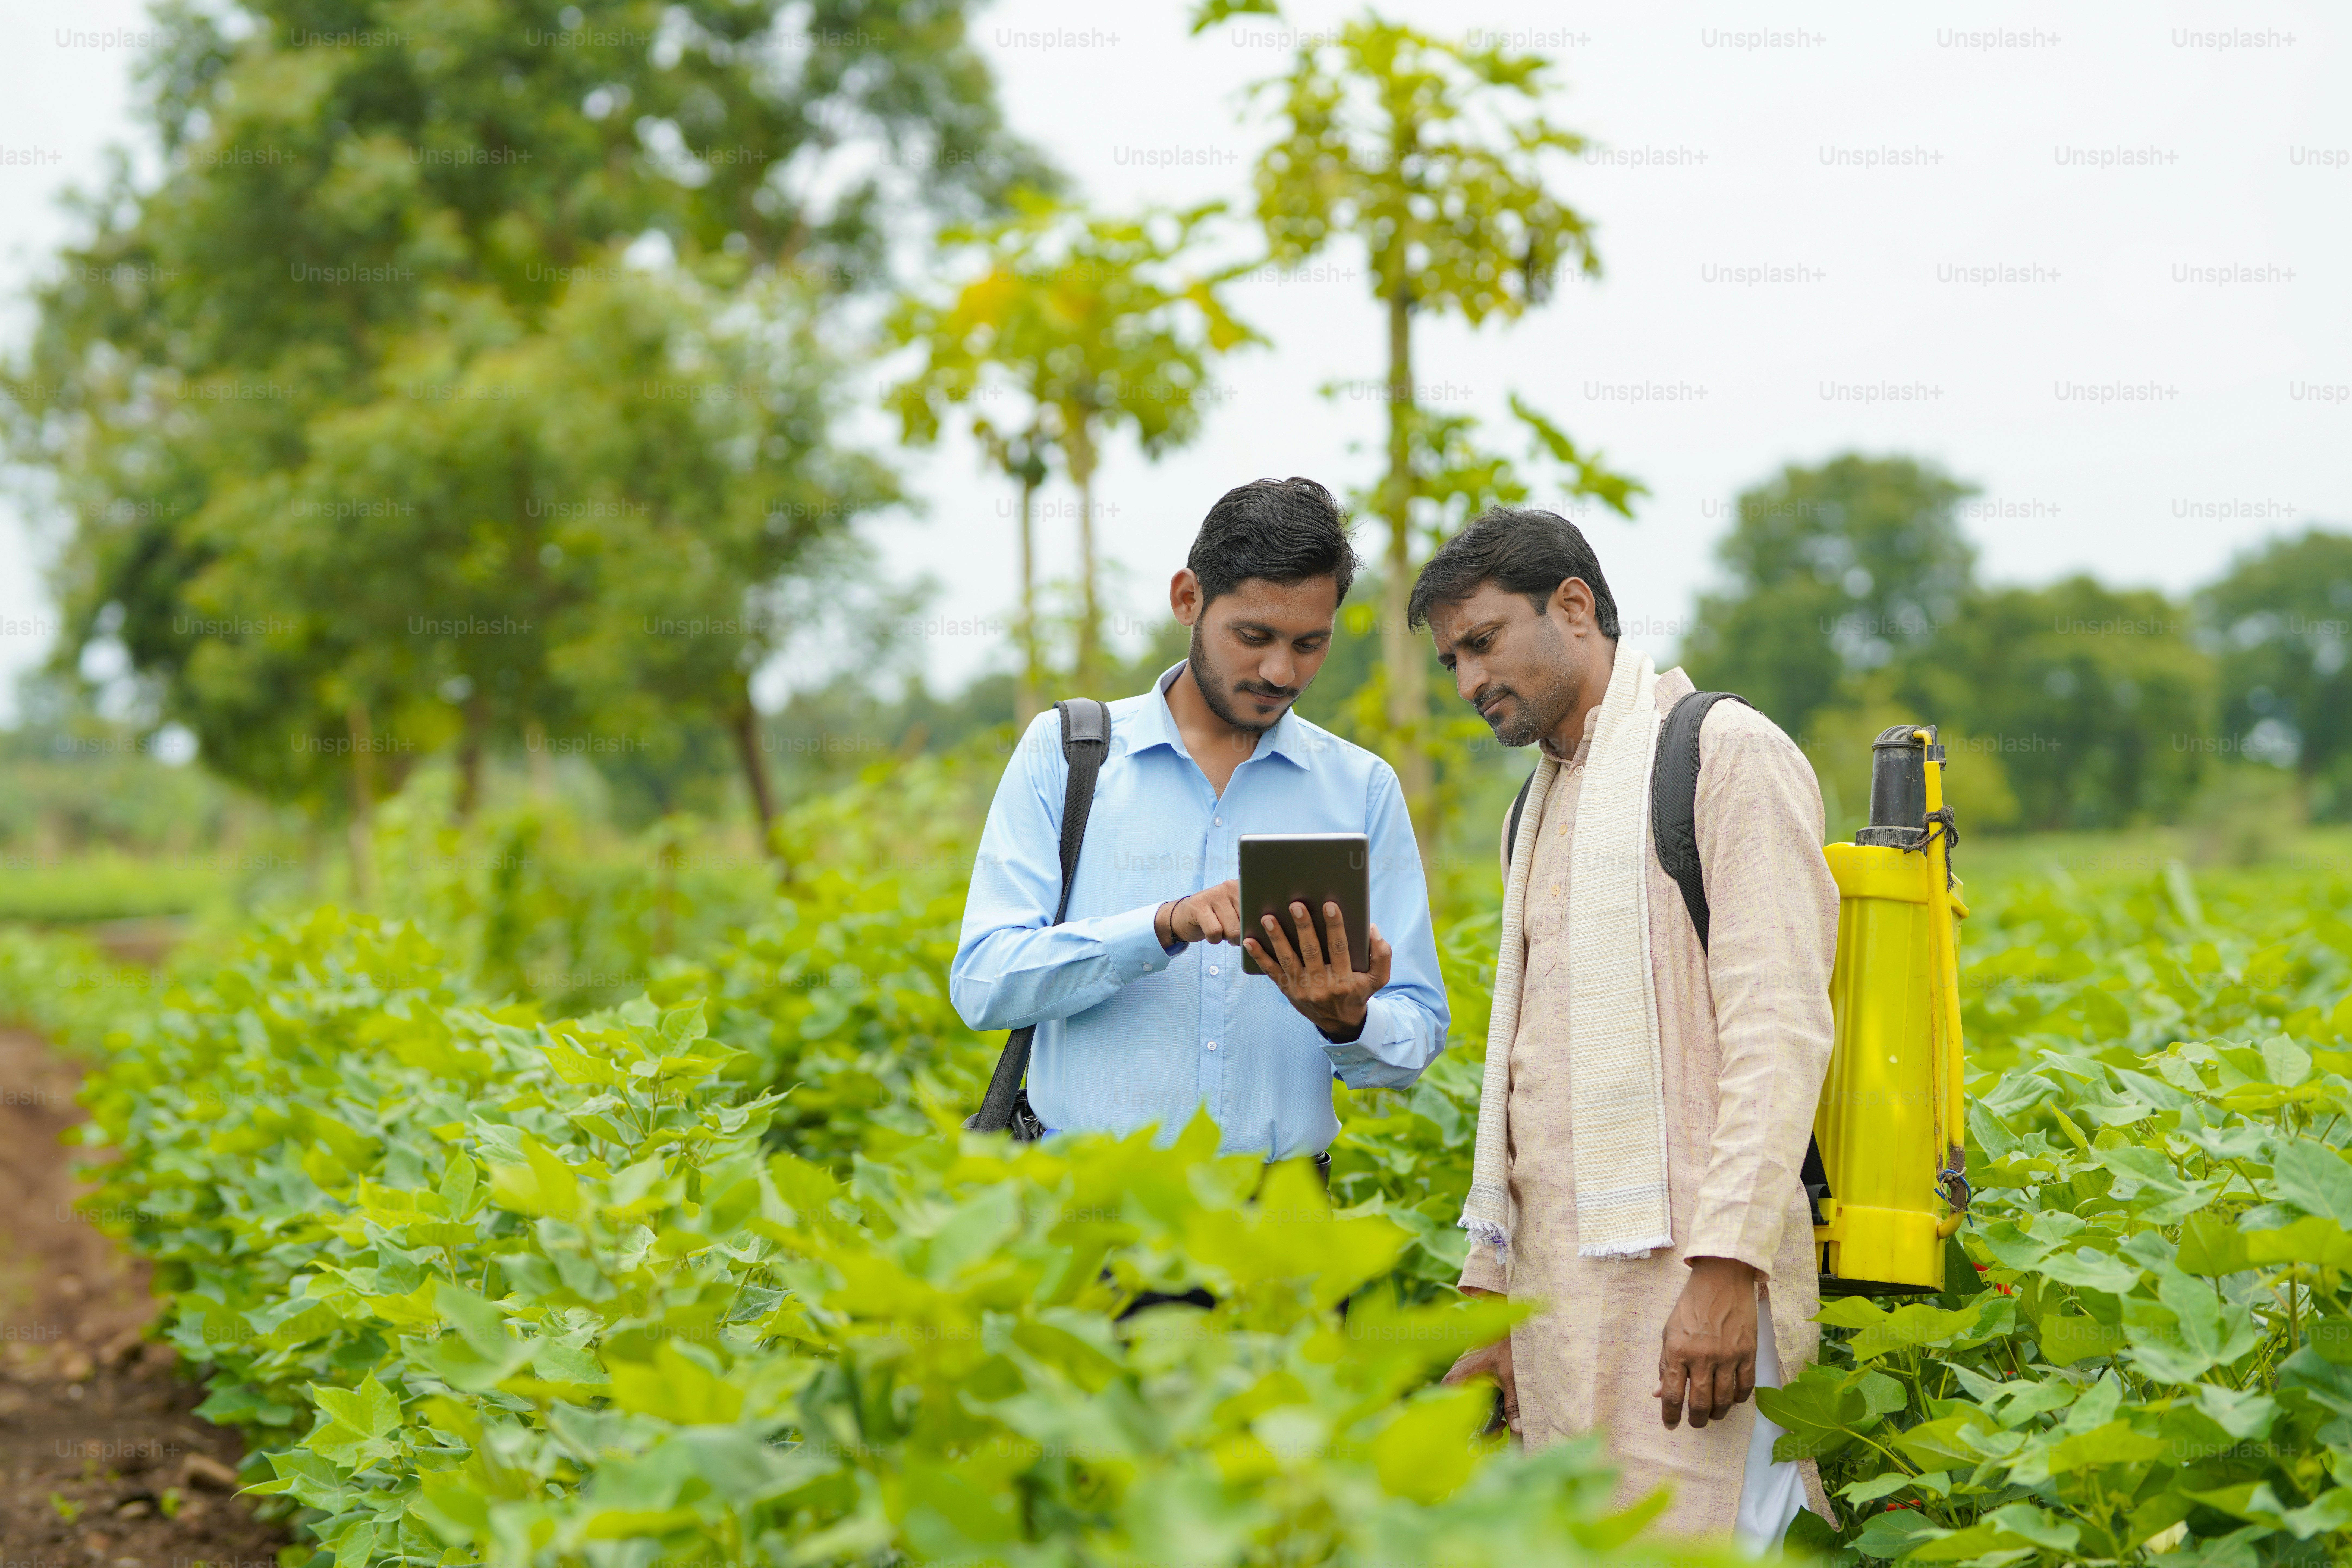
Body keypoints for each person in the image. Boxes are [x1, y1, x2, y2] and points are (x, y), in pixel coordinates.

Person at [1417, 507, 1837, 1548]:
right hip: (1564, 1305)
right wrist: (1496, 1302)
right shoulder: (1540, 801)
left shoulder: (1723, 753)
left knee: (1720, 1540)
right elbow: (1525, 1079)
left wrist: (1729, 1269)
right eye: (1451, 660)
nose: (1470, 682)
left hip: (1695, 1295)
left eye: (1483, 642)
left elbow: (1779, 1028)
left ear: (1573, 605)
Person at [950, 477, 1449, 1162]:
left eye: (1310, 644)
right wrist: (1161, 925)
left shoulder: (1360, 788)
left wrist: (1349, 1020)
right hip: (1089, 1214)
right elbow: (984, 983)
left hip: (1277, 1227)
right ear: (1188, 599)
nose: (1281, 671)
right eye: (1254, 636)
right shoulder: (1070, 753)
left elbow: (1417, 1036)